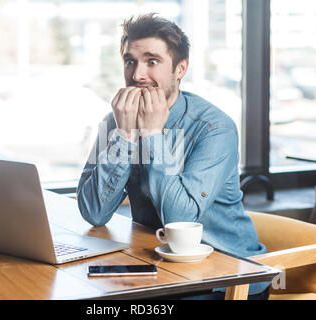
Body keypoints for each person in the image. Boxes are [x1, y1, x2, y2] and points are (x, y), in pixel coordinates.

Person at [76, 13, 270, 300]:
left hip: (227, 276)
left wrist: (153, 135)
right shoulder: (116, 121)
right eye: (130, 61)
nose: (138, 75)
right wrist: (125, 136)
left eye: (152, 62)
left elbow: (180, 220)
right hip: (160, 268)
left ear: (181, 69)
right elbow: (93, 212)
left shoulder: (214, 128)